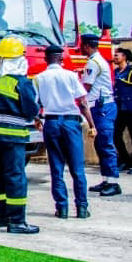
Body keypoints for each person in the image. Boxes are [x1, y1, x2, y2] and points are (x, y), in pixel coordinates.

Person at [0, 36, 41, 234]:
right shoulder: (20, 82)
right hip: (13, 135)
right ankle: (17, 221)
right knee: (15, 176)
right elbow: (31, 110)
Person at [34, 44, 97, 219]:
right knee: (77, 169)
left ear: (45, 59)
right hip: (71, 123)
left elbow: (34, 104)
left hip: (51, 122)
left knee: (56, 168)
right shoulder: (71, 76)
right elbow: (83, 103)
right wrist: (92, 125)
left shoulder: (39, 78)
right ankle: (82, 208)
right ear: (61, 58)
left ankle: (62, 209)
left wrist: (37, 119)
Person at [80, 34, 120, 196]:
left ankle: (113, 182)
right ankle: (106, 179)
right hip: (100, 107)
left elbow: (87, 87)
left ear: (87, 46)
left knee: (105, 144)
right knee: (100, 145)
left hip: (102, 107)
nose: (81, 48)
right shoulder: (97, 60)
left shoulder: (93, 62)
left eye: (82, 46)